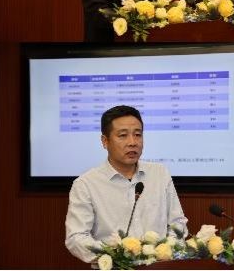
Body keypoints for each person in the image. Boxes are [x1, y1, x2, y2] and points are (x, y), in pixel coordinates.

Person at [65, 106, 188, 264]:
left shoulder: (159, 174)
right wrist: (115, 256)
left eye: (138, 135)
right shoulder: (86, 184)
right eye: (123, 135)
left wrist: (165, 252)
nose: (132, 142)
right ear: (105, 141)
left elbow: (177, 223)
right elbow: (76, 237)